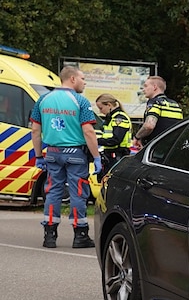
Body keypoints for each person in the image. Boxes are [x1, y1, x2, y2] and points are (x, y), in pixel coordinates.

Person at [30, 66, 102, 249]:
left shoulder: (43, 100)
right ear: (72, 79)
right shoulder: (80, 101)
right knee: (78, 192)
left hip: (52, 153)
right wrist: (97, 157)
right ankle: (80, 235)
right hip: (75, 154)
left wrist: (38, 155)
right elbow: (88, 131)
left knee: (53, 191)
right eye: (82, 78)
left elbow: (36, 130)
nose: (84, 82)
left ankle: (49, 235)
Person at [132, 75, 183, 149]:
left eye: (146, 86)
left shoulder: (154, 102)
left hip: (156, 148)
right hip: (172, 148)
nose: (143, 90)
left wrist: (137, 137)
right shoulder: (175, 104)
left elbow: (149, 126)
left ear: (155, 87)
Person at [94, 93, 133, 172]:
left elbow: (115, 140)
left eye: (101, 108)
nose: (100, 111)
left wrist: (95, 141)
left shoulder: (119, 118)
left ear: (109, 105)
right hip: (111, 155)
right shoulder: (112, 117)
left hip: (118, 155)